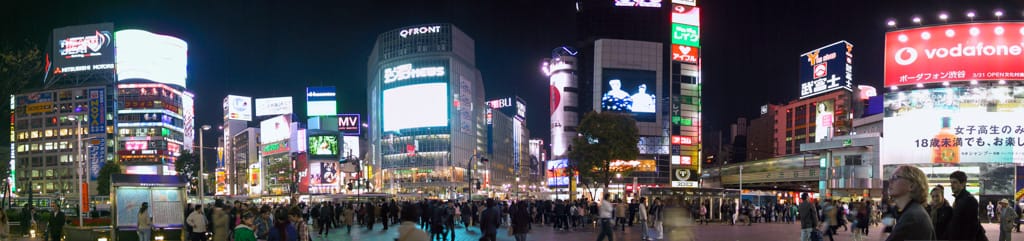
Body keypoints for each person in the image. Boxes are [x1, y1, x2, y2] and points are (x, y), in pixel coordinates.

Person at [885, 165, 935, 241]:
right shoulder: (913, 211)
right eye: (890, 178)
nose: (890, 181)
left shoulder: (912, 217)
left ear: (912, 186)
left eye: (895, 177)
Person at [946, 170, 986, 240]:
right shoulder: (959, 199)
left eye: (955, 182)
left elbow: (972, 228)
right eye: (951, 182)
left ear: (963, 183)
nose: (952, 185)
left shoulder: (969, 200)